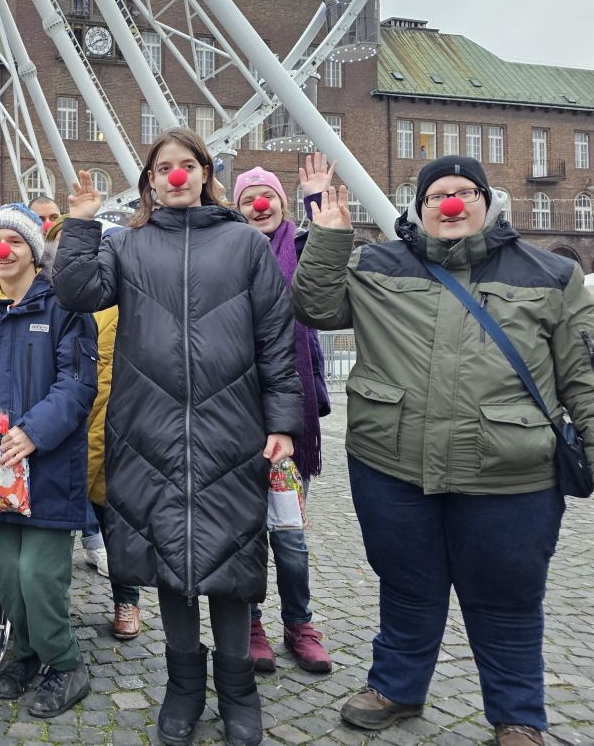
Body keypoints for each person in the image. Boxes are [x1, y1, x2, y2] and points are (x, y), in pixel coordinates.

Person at [291, 155, 594, 746]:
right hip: (394, 465)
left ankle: (518, 717)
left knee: (507, 598)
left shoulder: (551, 274)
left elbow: (582, 375)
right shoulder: (377, 265)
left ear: (487, 202)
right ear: (420, 208)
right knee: (406, 583)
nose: (450, 204)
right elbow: (316, 307)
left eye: (464, 192)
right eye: (437, 195)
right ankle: (396, 687)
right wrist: (327, 238)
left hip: (512, 476)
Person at [51, 128, 302, 746]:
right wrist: (81, 225)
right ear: (149, 181)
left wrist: (283, 423)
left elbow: (275, 339)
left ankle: (238, 688)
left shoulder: (245, 244)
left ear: (205, 172)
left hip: (230, 427)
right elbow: (77, 292)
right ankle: (183, 687)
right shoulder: (127, 245)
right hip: (148, 429)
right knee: (169, 560)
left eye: (186, 165)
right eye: (163, 168)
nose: (176, 176)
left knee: (233, 558)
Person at [0, 204, 97, 719]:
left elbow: (77, 385)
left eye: (14, 240)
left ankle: (66, 662)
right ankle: (27, 654)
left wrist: (34, 432)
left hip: (48, 464)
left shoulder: (64, 306)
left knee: (39, 574)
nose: (2, 250)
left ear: (33, 249)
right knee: (6, 572)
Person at [232, 156, 334, 675]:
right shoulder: (230, 258)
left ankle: (301, 624)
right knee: (247, 533)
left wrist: (318, 200)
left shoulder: (300, 247)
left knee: (289, 537)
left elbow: (328, 258)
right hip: (240, 417)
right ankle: (251, 624)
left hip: (293, 423)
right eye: (247, 199)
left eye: (267, 196)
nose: (259, 205)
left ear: (282, 203)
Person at [42, 217, 142, 641]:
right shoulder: (49, 300)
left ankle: (127, 600)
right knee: (52, 526)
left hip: (117, 426)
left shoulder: (127, 301)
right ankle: (49, 606)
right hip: (61, 426)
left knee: (117, 518)